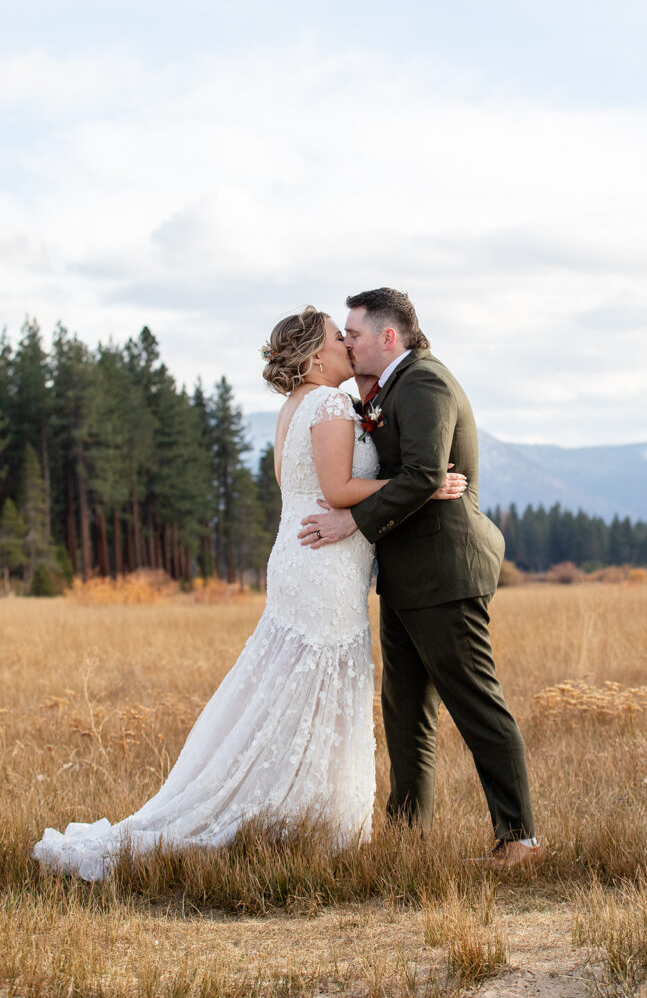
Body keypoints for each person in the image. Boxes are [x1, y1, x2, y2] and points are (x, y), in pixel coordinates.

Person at [33, 306, 465, 881]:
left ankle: (293, 812)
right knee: (314, 687)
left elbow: (303, 488)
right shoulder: (330, 403)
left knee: (289, 688)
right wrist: (423, 484)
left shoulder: (293, 409)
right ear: (316, 357)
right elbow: (336, 489)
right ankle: (297, 819)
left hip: (300, 557)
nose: (349, 345)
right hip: (324, 564)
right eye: (341, 338)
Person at [298, 289, 539, 867]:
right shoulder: (385, 388)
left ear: (389, 337)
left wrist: (349, 522)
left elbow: (428, 473)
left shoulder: (426, 381)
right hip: (406, 574)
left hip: (445, 568)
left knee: (475, 701)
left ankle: (520, 839)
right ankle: (407, 841)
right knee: (405, 710)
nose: (347, 343)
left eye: (353, 334)